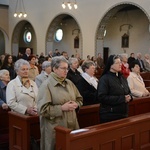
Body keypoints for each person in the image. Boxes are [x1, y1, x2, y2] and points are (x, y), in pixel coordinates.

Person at [37, 56, 83, 150]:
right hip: (55, 128)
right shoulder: (46, 85)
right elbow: (42, 110)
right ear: (54, 69)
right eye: (63, 68)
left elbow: (79, 99)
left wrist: (77, 104)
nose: (66, 71)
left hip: (72, 124)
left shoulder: (69, 83)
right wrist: (62, 108)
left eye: (67, 68)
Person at [97, 55, 132, 123]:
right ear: (111, 65)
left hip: (123, 113)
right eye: (117, 63)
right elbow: (102, 97)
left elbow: (128, 91)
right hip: (110, 115)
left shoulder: (122, 78)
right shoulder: (105, 79)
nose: (120, 64)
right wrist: (122, 99)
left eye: (120, 62)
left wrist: (130, 97)